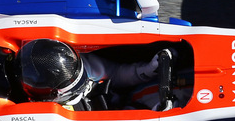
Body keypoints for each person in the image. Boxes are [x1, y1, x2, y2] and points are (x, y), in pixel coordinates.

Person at [17, 38, 172, 110]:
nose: (85, 78)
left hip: (115, 97)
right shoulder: (56, 115)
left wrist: (147, 70)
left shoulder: (68, 63)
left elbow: (115, 73)